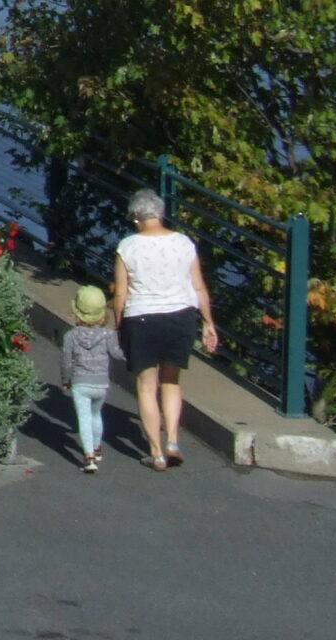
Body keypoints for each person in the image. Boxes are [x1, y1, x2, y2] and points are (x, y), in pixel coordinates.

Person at [108, 188, 218, 471]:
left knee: (146, 386)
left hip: (142, 318)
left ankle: (156, 453)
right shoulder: (183, 243)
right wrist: (208, 322)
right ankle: (172, 441)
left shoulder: (127, 247)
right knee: (171, 381)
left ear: (136, 217)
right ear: (160, 213)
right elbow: (198, 287)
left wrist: (119, 325)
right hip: (180, 317)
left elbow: (121, 294)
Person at [59, 284, 124, 474]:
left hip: (80, 382)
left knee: (84, 418)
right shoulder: (108, 334)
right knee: (96, 414)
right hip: (101, 383)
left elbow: (66, 361)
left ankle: (89, 456)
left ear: (76, 311)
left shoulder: (70, 336)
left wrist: (65, 379)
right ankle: (97, 447)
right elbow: (117, 353)